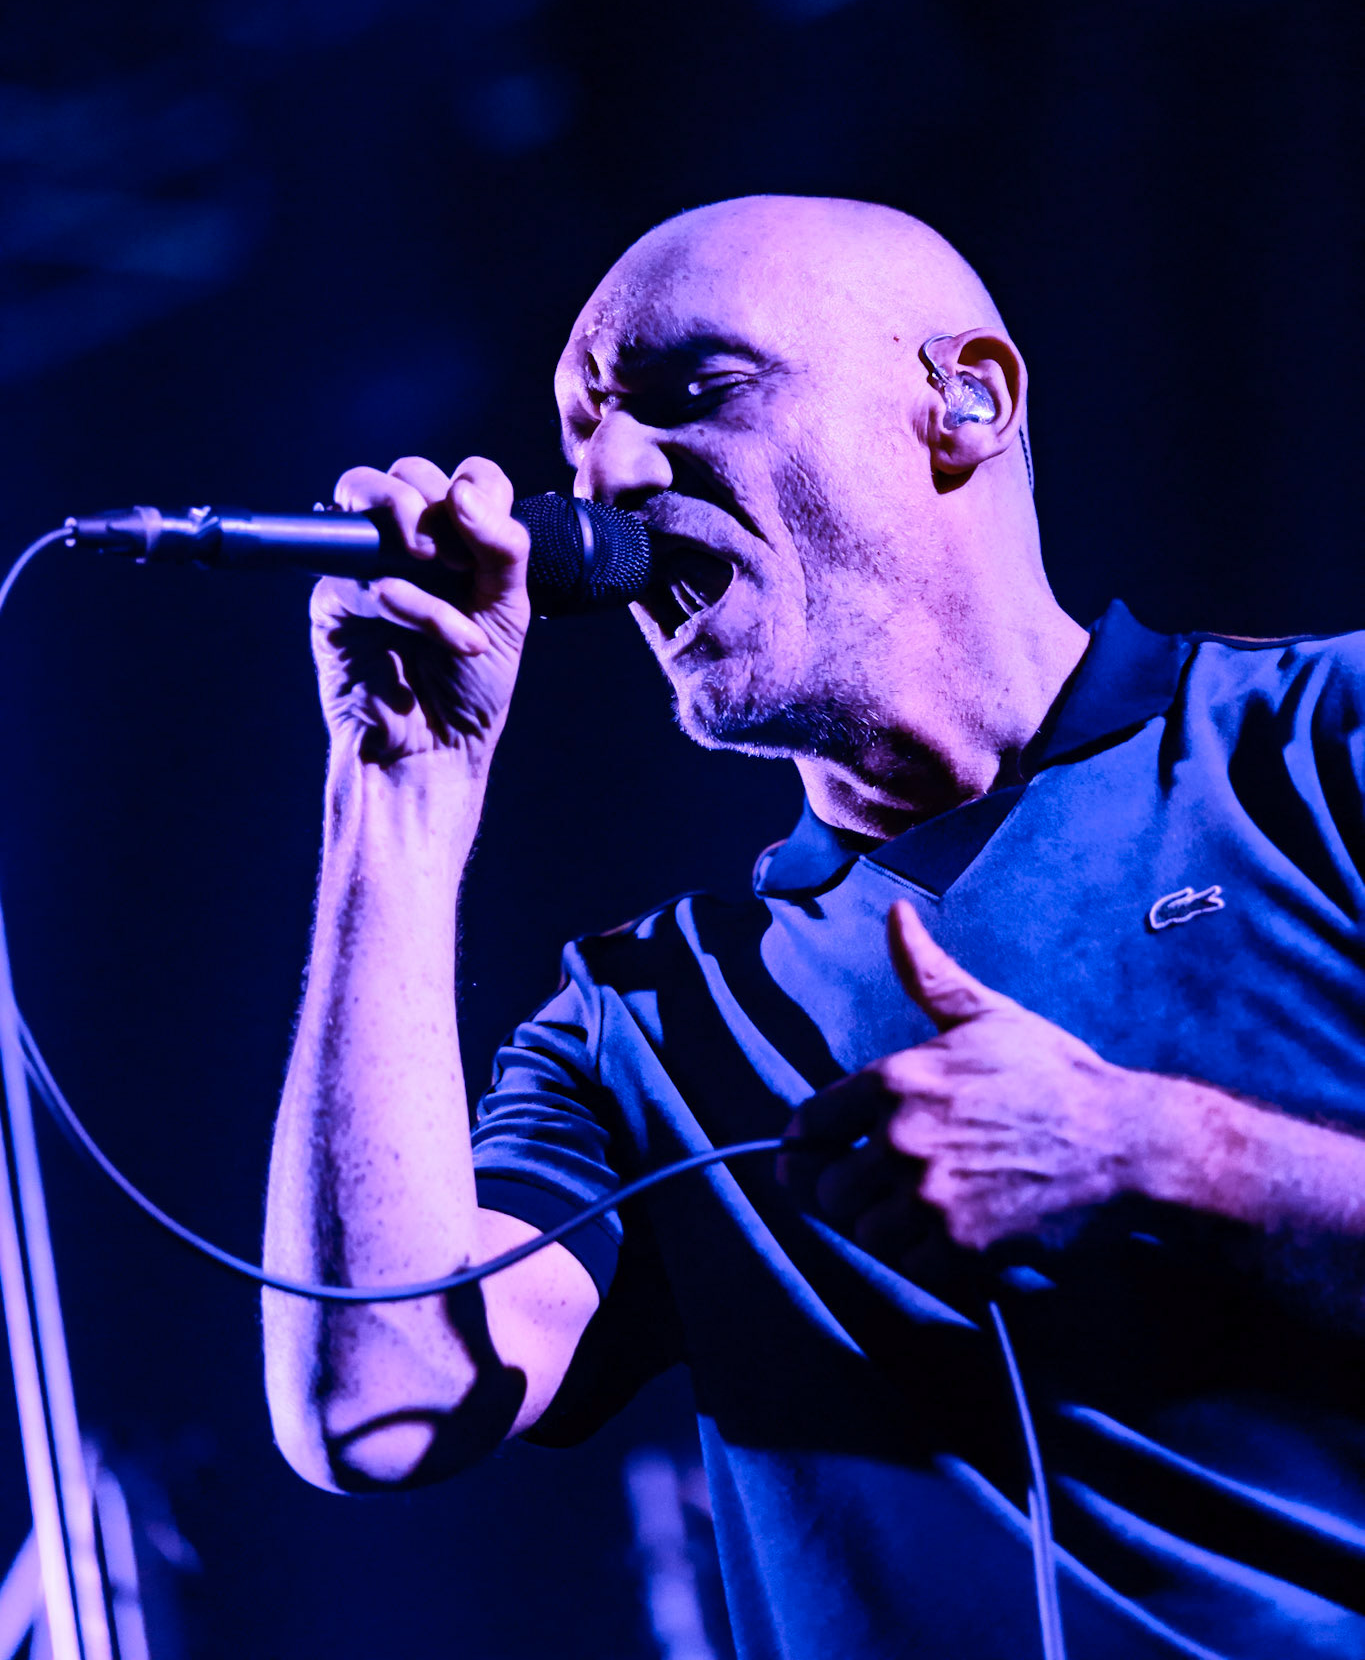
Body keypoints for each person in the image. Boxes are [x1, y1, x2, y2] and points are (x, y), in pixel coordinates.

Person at [263, 196, 1365, 1659]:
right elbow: (376, 1405)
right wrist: (396, 796)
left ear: (963, 403)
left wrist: (1154, 1153)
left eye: (692, 393)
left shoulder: (1321, 745)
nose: (605, 475)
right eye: (582, 430)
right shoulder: (640, 1019)